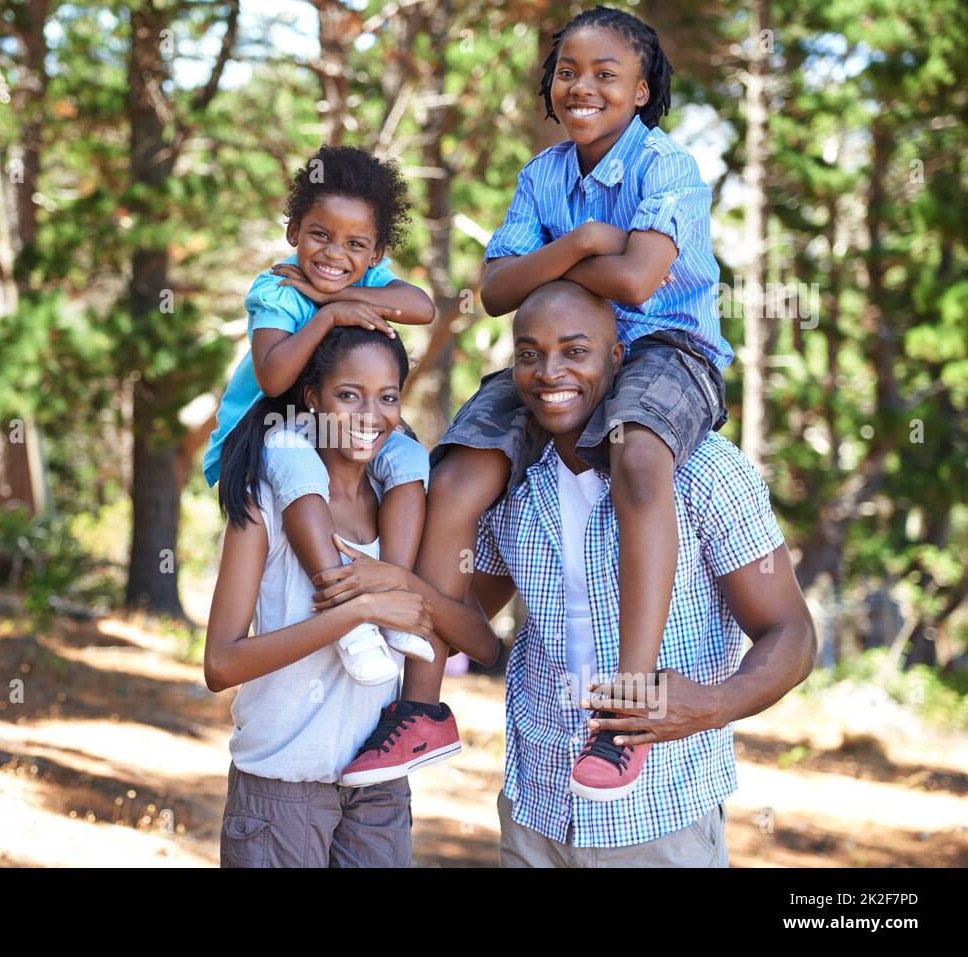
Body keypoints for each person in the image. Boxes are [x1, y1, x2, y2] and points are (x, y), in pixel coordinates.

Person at [341, 6, 735, 799]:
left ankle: (625, 708)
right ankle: (423, 706)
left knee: (639, 456)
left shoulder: (668, 168)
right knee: (455, 473)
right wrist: (586, 242)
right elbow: (495, 291)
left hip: (664, 349)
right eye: (567, 71)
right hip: (558, 357)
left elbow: (636, 284)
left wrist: (555, 268)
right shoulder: (544, 175)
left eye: (604, 74)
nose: (581, 86)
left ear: (641, 89)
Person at [473, 281, 814, 864]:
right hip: (536, 814)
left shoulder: (707, 472)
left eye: (574, 351)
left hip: (661, 821)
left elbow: (793, 634)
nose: (549, 372)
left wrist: (713, 704)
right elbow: (468, 615)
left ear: (616, 356)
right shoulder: (511, 480)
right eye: (529, 354)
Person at [206, 326, 444, 866]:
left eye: (387, 397)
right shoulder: (262, 502)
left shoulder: (402, 503)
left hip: (377, 785)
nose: (370, 414)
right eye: (348, 394)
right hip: (281, 787)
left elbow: (463, 629)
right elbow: (220, 665)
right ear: (311, 398)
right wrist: (356, 611)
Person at [203, 145, 439, 689]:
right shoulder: (278, 290)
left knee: (406, 452)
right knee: (293, 456)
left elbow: (423, 307)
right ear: (292, 231)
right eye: (320, 235)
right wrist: (326, 310)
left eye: (356, 244)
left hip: (324, 425)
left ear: (376, 251)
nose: (335, 253)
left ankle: (391, 588)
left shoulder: (365, 279)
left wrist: (336, 290)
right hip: (260, 434)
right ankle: (344, 610)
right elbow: (273, 377)